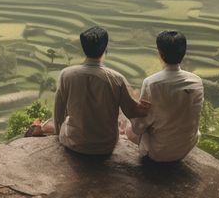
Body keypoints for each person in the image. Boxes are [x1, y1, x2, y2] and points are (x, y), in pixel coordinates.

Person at [33, 26, 150, 155]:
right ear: (105, 48)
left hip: (73, 142)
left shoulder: (66, 74)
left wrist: (58, 132)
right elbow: (131, 111)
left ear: (83, 48)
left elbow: (58, 111)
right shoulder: (117, 79)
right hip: (106, 145)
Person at [126, 30, 204, 162]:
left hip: (159, 153)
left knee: (129, 129)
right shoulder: (197, 81)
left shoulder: (151, 83)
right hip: (187, 147)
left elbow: (139, 128)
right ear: (183, 53)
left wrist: (133, 113)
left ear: (160, 54)